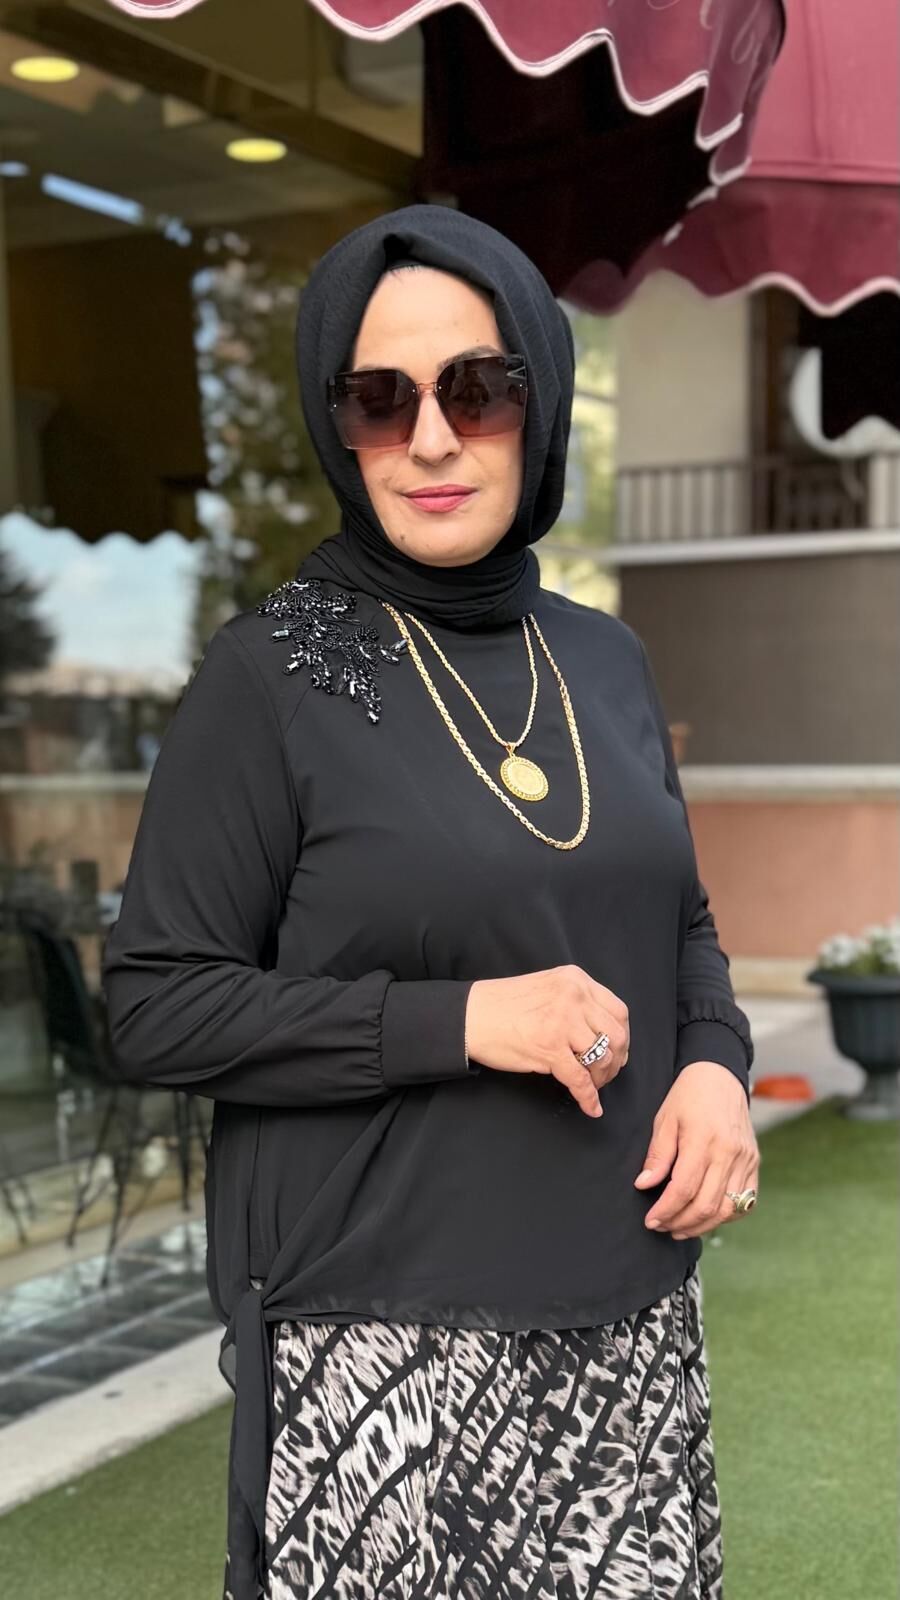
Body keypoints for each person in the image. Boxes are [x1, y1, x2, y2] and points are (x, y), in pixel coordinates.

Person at [102, 204, 760, 1600]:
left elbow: (681, 925)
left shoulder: (604, 660)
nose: (434, 439)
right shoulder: (269, 676)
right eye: (380, 399)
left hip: (630, 1322)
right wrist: (463, 1021)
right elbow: (156, 1005)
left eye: (478, 387)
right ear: (337, 425)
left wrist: (716, 1064)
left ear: (541, 398)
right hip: (385, 1351)